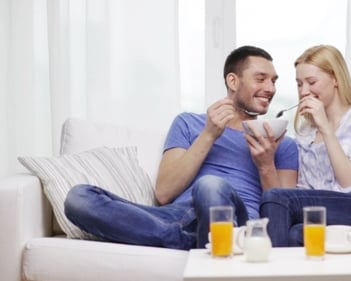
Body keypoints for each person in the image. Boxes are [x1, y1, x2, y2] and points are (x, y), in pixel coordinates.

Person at [64, 45, 299, 250]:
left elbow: (283, 217)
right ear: (233, 81)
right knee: (78, 198)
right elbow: (164, 193)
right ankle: (187, 241)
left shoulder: (282, 144)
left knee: (210, 186)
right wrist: (208, 134)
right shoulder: (189, 123)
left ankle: (206, 240)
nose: (270, 88)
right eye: (261, 79)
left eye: (274, 81)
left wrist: (266, 163)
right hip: (175, 217)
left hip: (237, 221)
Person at [260, 45, 351, 247]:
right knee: (295, 234)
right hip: (331, 217)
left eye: (311, 82)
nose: (304, 91)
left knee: (275, 198)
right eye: (299, 84)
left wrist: (326, 129)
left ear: (335, 79)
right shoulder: (305, 134)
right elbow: (305, 193)